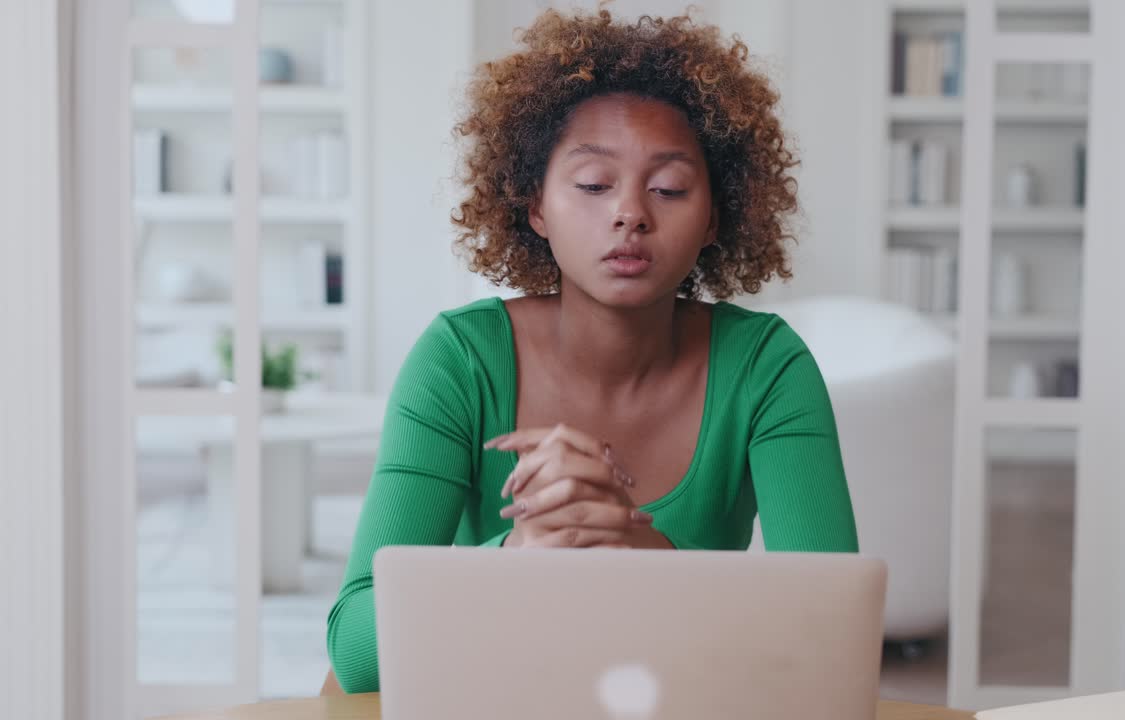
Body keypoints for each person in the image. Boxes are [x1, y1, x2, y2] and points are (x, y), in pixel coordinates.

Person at [326, 7, 858, 693]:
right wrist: (521, 552)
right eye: (593, 185)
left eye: (668, 188)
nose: (630, 213)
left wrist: (635, 545)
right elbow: (356, 650)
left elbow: (830, 636)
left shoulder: (767, 368)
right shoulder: (458, 361)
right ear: (536, 207)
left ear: (714, 218)